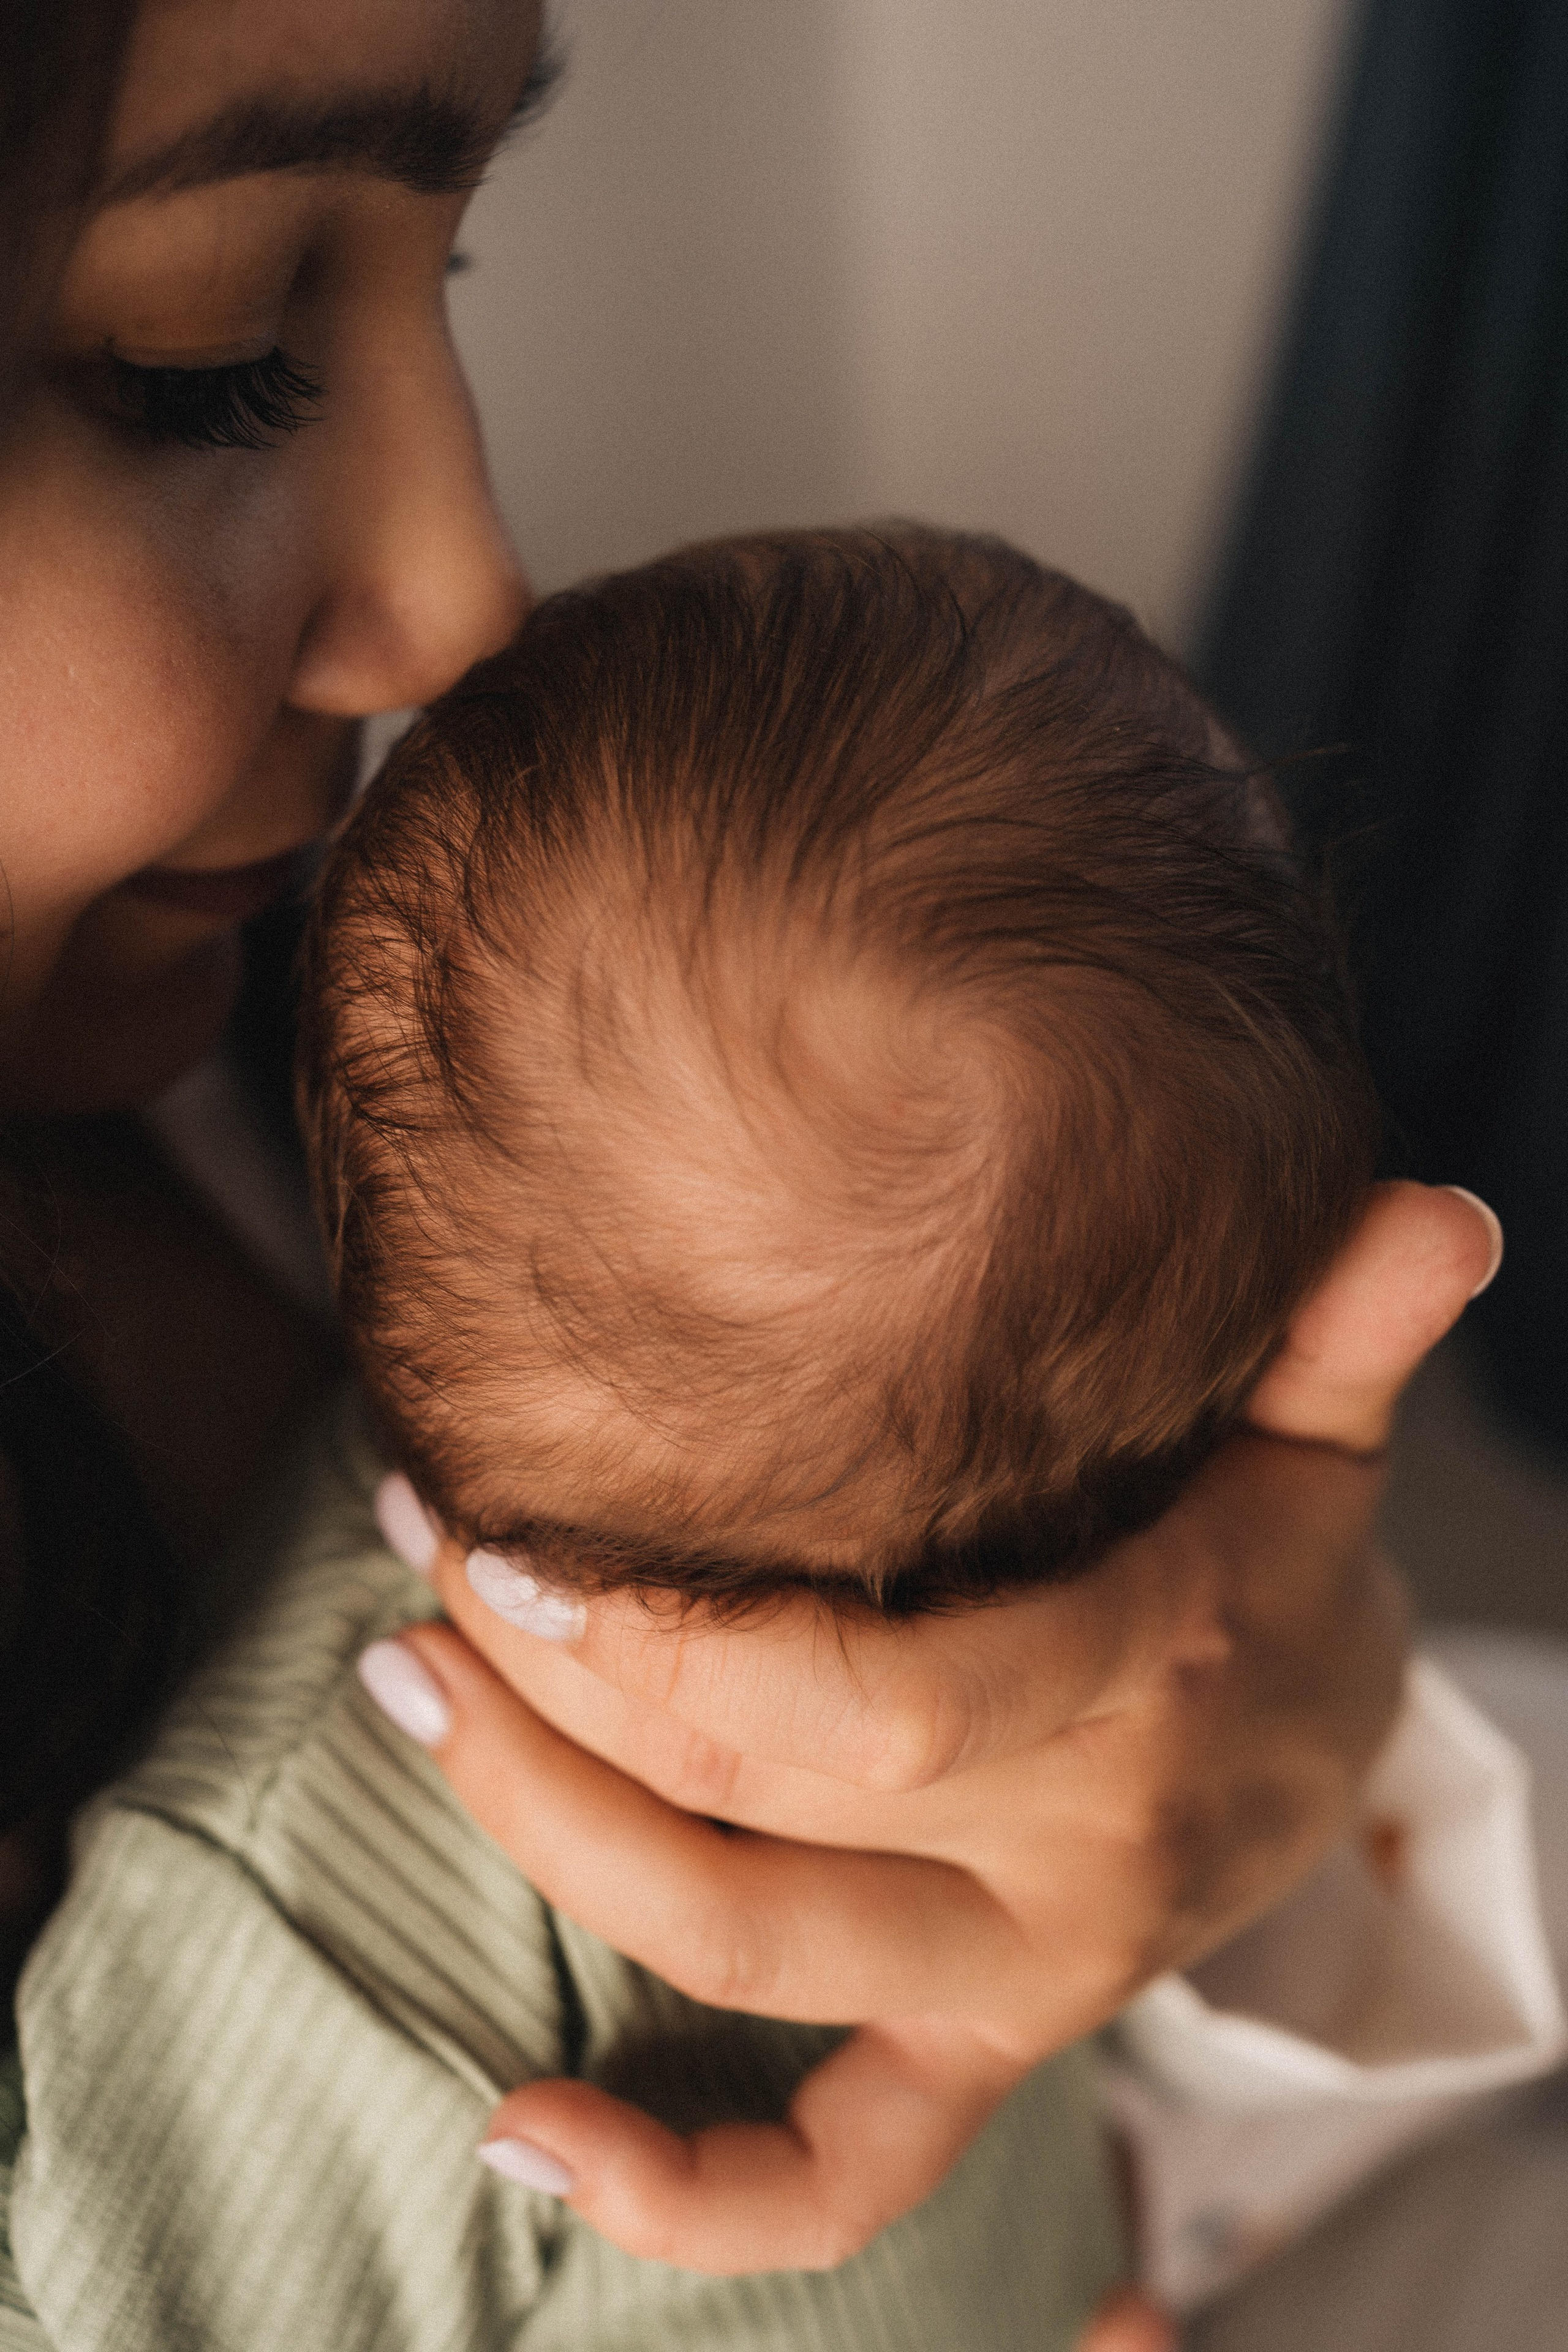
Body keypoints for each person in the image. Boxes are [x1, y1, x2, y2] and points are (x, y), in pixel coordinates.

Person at [0, 5, 1524, 2350]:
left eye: (456, 269)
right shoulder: (279, 1949)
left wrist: (1277, 1781)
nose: (475, 596)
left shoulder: (472, 1032)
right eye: (204, 358)